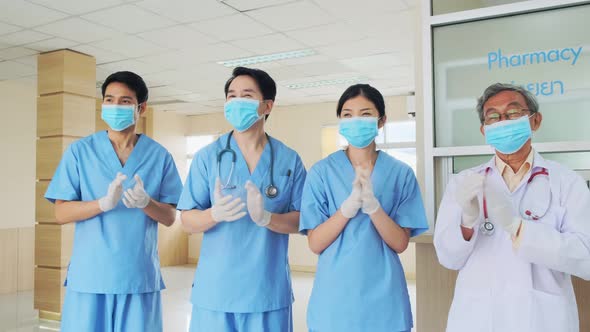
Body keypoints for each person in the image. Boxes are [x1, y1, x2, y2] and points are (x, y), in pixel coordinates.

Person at [434, 83, 590, 332]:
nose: (503, 121)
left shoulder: (567, 182)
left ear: (535, 120)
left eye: (513, 113)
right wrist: (467, 223)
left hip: (541, 319)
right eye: (493, 116)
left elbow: (586, 256)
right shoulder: (464, 183)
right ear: (484, 130)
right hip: (478, 317)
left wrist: (519, 228)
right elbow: (448, 258)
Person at [44, 71, 183, 331]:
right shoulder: (80, 152)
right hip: (89, 277)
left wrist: (147, 203)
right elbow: (60, 213)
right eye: (109, 99)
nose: (115, 106)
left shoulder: (159, 156)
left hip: (138, 276)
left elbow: (169, 217)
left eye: (125, 101)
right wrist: (102, 204)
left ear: (141, 108)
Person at [177, 67, 307, 332]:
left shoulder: (288, 159)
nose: (236, 102)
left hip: (267, 290)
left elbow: (304, 220)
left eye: (246, 95)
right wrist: (213, 214)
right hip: (216, 291)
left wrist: (267, 218)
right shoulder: (207, 157)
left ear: (267, 105)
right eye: (231, 95)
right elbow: (187, 221)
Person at [299, 84, 429, 332]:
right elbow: (315, 243)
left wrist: (374, 208)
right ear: (340, 120)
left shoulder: (400, 173)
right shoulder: (321, 172)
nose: (355, 120)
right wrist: (346, 210)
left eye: (366, 113)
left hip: (384, 296)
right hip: (335, 295)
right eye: (347, 114)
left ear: (381, 121)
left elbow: (400, 243)